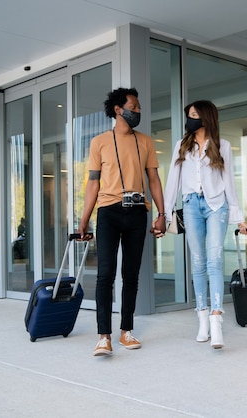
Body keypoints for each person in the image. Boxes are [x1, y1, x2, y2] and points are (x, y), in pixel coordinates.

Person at [77, 87, 166, 357]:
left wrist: (162, 215)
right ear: (118, 109)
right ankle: (104, 336)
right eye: (134, 107)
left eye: (138, 108)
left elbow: (153, 179)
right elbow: (93, 182)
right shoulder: (99, 142)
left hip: (138, 211)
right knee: (105, 275)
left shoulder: (146, 142)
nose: (138, 111)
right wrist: (84, 220)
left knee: (131, 275)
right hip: (108, 212)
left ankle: (126, 330)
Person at [161, 100, 247, 349]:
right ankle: (202, 316)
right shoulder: (182, 146)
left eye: (193, 115)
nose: (190, 120)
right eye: (188, 115)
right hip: (190, 205)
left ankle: (216, 320)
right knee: (198, 262)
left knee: (215, 260)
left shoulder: (223, 146)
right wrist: (165, 214)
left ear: (206, 118)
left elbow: (229, 182)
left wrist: (238, 216)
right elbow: (173, 181)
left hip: (216, 206)